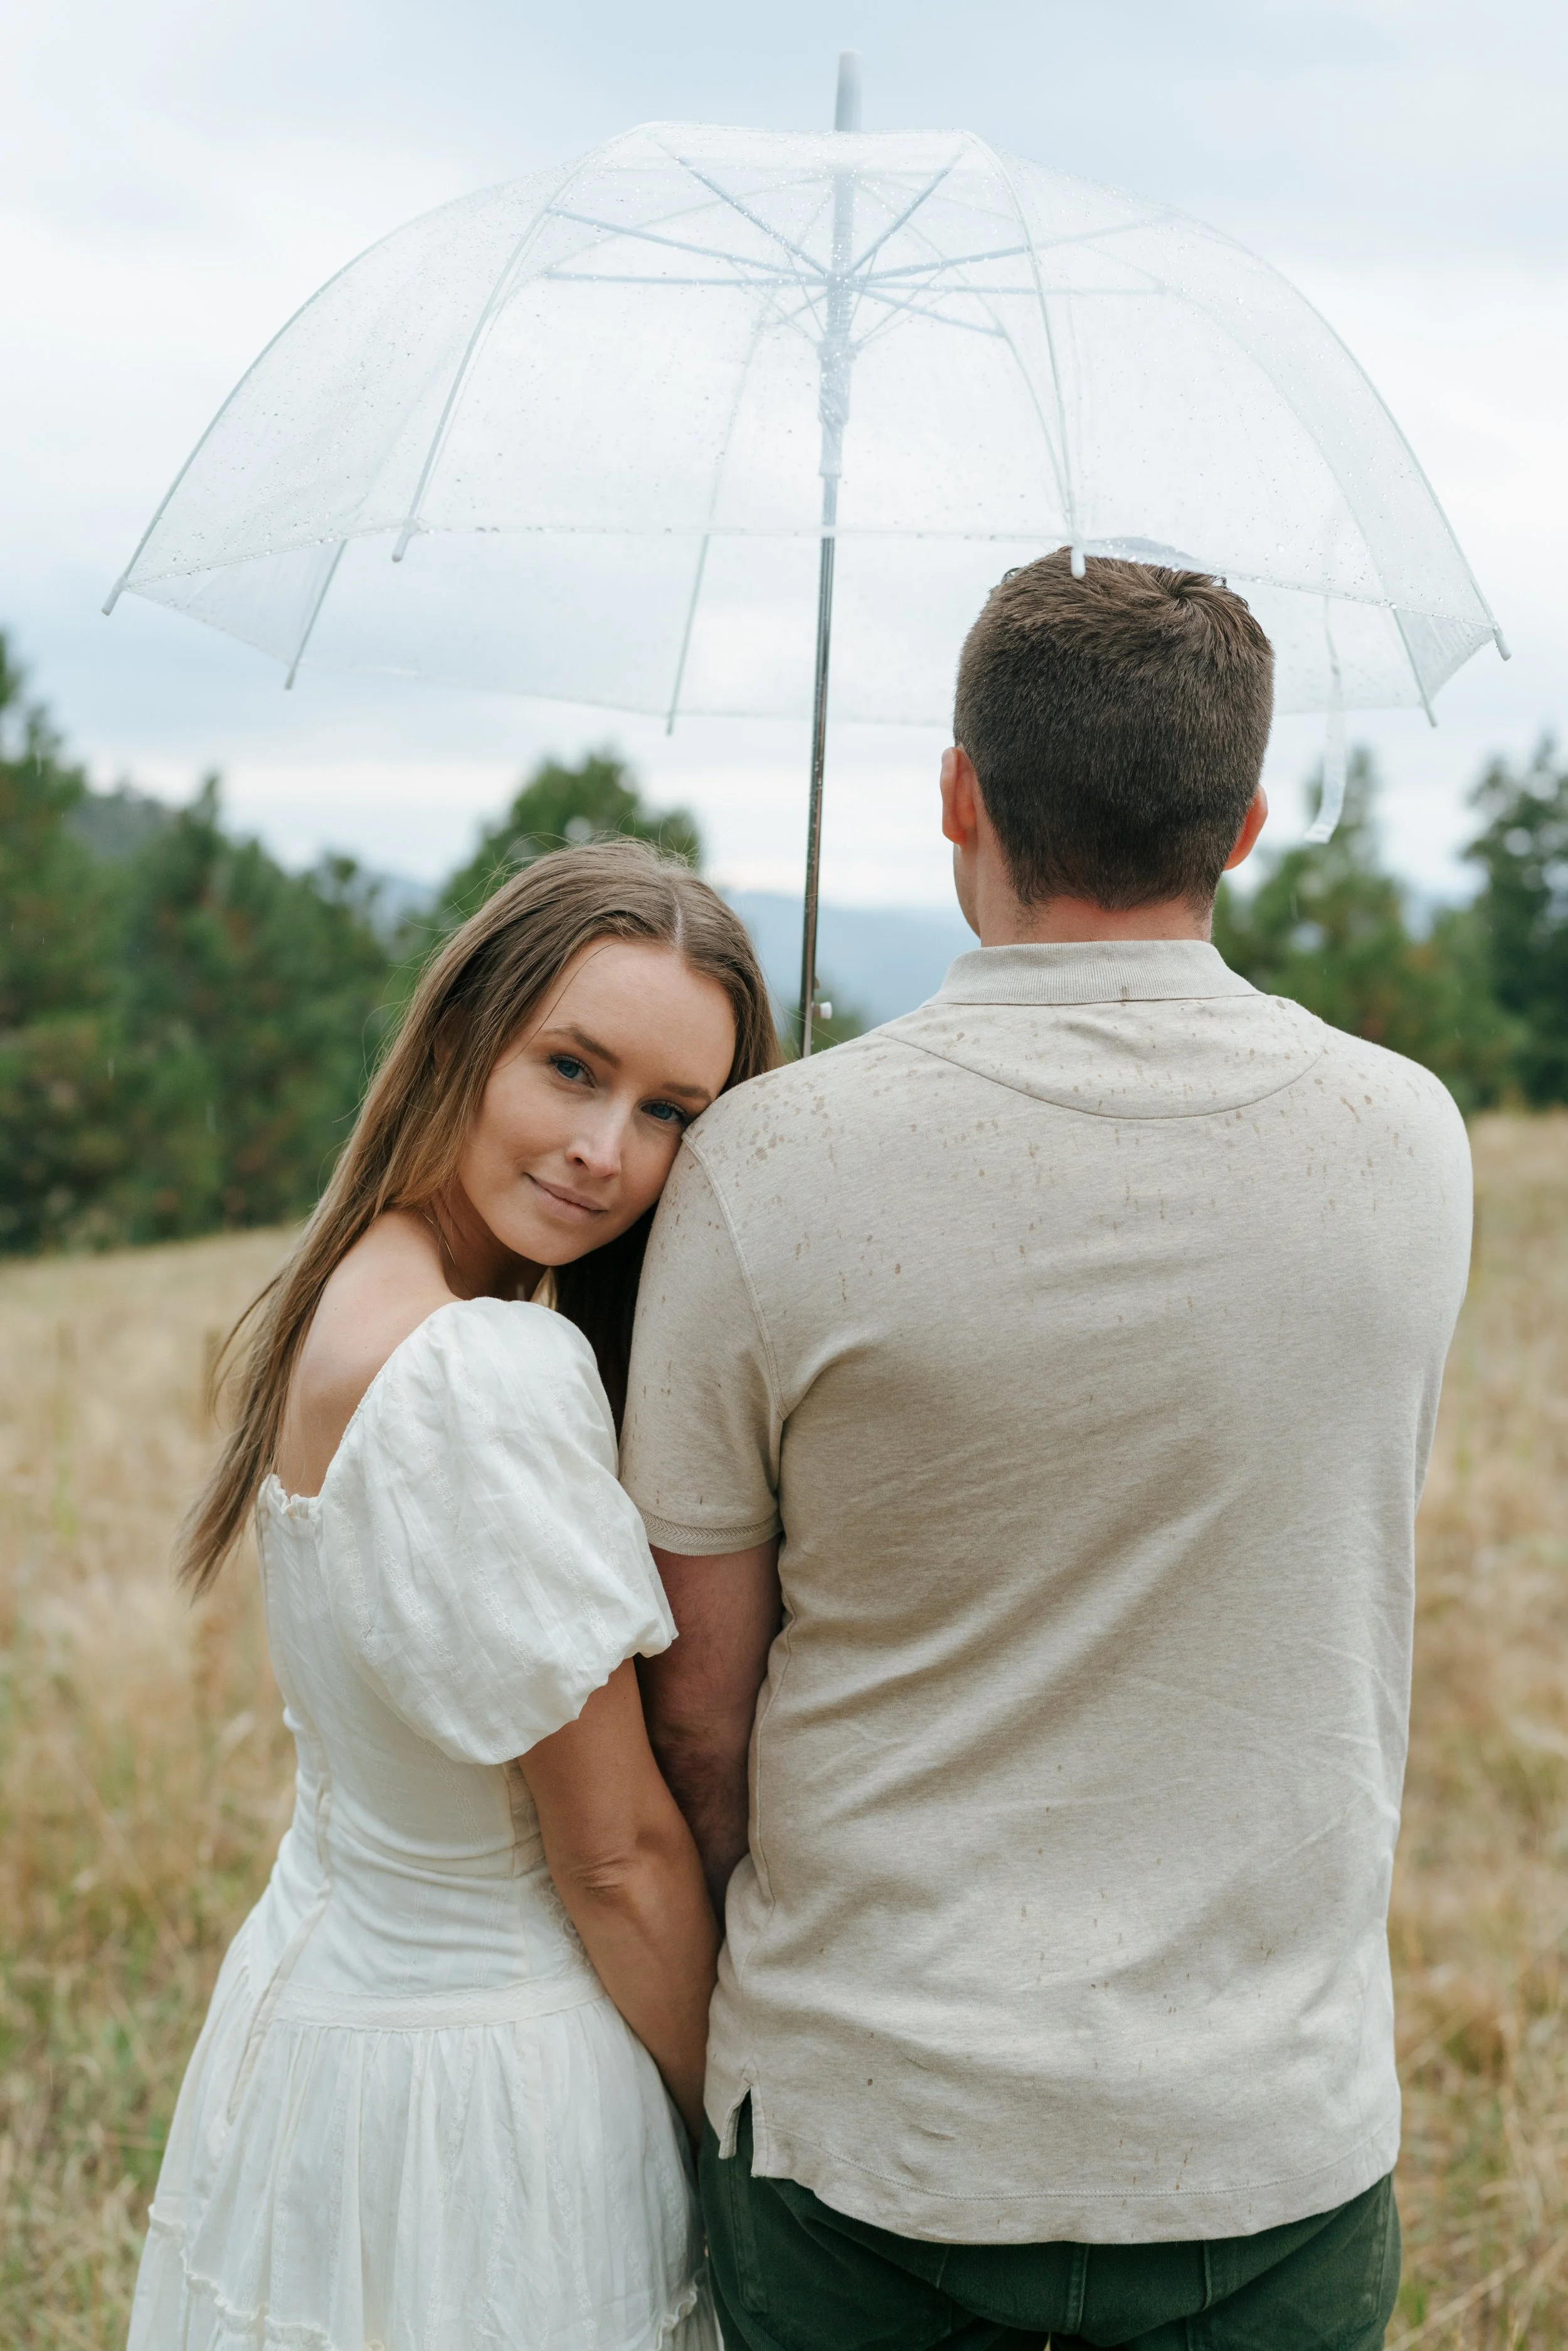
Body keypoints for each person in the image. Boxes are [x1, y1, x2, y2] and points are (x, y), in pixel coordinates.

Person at [622, 552, 1474, 2351]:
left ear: (955, 790)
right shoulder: (1408, 1145)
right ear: (1241, 823)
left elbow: (696, 1711)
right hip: (1268, 2146)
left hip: (868, 2140)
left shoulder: (762, 1166)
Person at [126, 841, 776, 2351]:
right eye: (571, 1066)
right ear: (465, 1030)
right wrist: (745, 2153)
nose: (606, 1149)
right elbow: (612, 1855)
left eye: (670, 1111)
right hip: (490, 2099)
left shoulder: (357, 1281)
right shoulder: (483, 1371)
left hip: (312, 2040)